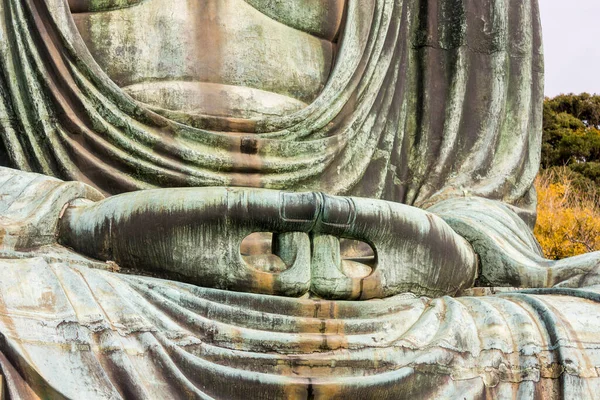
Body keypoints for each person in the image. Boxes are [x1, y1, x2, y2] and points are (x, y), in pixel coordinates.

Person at [0, 0, 599, 398]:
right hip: (75, 272)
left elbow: (478, 187)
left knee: (577, 344)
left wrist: (454, 248)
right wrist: (73, 220)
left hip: (384, 294)